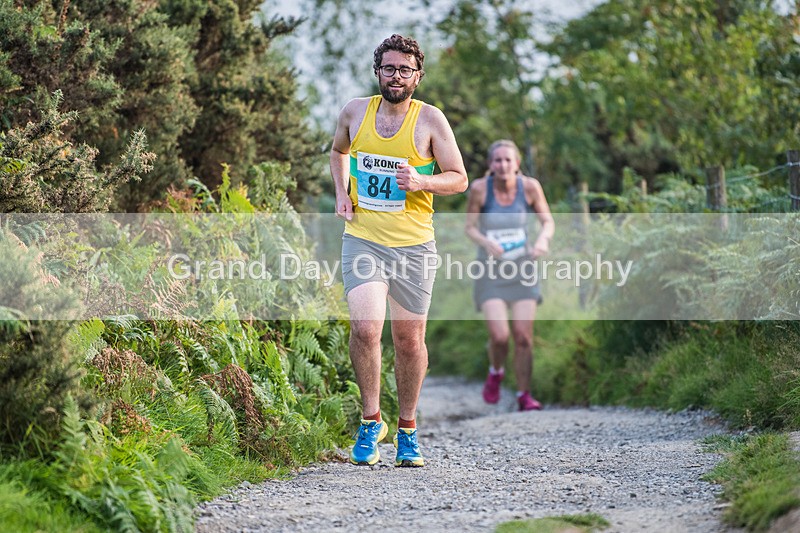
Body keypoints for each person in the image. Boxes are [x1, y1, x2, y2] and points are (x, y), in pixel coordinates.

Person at [330, 34, 468, 466]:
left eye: (405, 70)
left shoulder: (431, 121)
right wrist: (341, 193)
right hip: (364, 238)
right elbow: (338, 151)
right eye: (389, 68)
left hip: (414, 245)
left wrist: (423, 181)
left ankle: (407, 427)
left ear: (418, 76)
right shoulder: (356, 111)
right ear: (378, 71)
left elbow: (459, 177)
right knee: (366, 329)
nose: (396, 76)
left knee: (408, 341)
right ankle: (371, 421)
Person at [464, 140, 554, 411]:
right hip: (490, 272)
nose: (503, 165)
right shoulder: (480, 189)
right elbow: (469, 227)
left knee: (523, 337)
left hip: (523, 270)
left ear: (517, 164)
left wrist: (542, 242)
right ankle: (496, 371)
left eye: (508, 160)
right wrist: (485, 241)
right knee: (501, 336)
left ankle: (524, 395)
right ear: (491, 165)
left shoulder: (530, 187)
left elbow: (547, 221)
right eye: (498, 161)